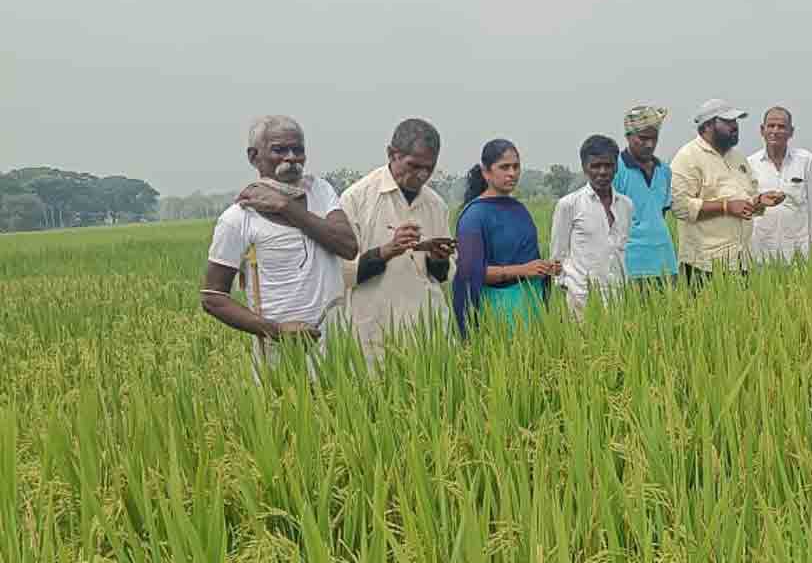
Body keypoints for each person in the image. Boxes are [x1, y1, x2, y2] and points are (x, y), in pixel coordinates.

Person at [200, 115, 358, 372]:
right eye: (279, 150)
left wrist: (285, 206)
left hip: (336, 347)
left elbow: (348, 247)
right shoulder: (238, 218)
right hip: (280, 355)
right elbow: (213, 298)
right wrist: (275, 331)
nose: (291, 157)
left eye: (298, 150)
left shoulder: (319, 191)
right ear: (253, 156)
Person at [340, 118, 457, 365]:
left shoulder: (436, 205)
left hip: (428, 327)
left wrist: (439, 259)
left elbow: (443, 276)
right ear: (392, 154)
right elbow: (343, 273)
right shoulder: (357, 199)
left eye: (430, 167)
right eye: (414, 166)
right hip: (375, 328)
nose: (422, 175)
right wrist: (387, 251)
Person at [669, 99, 785, 286]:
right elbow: (680, 206)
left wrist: (760, 201)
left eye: (736, 122)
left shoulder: (737, 158)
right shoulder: (688, 158)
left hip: (740, 261)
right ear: (707, 126)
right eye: (728, 122)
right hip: (704, 266)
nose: (735, 127)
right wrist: (725, 207)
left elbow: (743, 204)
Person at [451, 140, 561, 339]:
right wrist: (522, 270)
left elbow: (526, 258)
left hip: (531, 305)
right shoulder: (474, 215)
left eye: (516, 166)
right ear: (486, 172)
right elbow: (470, 272)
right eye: (504, 167)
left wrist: (544, 268)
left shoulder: (519, 209)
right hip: (498, 310)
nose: (512, 173)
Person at [550, 135, 634, 320]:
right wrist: (568, 290)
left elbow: (621, 250)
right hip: (580, 300)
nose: (602, 172)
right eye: (595, 166)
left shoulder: (626, 205)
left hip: (617, 296)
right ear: (584, 167)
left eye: (608, 165)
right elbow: (558, 256)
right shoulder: (569, 204)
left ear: (616, 166)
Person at [748, 106, 812, 263]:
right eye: (770, 126)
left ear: (791, 132)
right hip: (761, 252)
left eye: (781, 127)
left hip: (798, 251)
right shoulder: (750, 164)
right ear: (762, 130)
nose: (775, 131)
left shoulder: (805, 160)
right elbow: (747, 208)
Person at [613, 104, 677, 288]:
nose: (649, 144)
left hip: (665, 261)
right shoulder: (616, 169)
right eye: (643, 138)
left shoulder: (664, 171)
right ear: (628, 136)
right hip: (631, 264)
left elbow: (659, 214)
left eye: (654, 138)